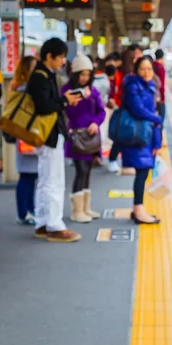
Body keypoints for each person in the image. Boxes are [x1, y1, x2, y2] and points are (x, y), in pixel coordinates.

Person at [27, 38, 82, 243]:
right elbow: (44, 106)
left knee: (45, 179)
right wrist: (65, 100)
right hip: (49, 135)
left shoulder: (42, 75)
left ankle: (42, 222)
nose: (63, 61)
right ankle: (54, 225)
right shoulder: (42, 77)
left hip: (47, 135)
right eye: (60, 57)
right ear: (49, 56)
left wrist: (63, 100)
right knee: (54, 181)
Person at [61, 55, 106, 223]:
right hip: (77, 137)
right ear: (74, 74)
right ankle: (76, 210)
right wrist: (82, 97)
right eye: (81, 74)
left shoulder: (93, 90)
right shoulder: (67, 91)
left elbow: (101, 111)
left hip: (91, 137)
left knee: (87, 170)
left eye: (87, 74)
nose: (85, 78)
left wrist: (96, 122)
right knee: (80, 170)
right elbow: (70, 113)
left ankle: (86, 207)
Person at [120, 56, 162, 225]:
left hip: (146, 135)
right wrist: (157, 119)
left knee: (143, 172)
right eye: (143, 69)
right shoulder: (133, 86)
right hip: (137, 135)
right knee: (142, 172)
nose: (147, 72)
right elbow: (138, 110)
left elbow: (153, 119)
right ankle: (138, 210)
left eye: (150, 69)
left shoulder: (150, 86)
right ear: (136, 70)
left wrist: (157, 142)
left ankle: (138, 208)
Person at [10, 56, 38, 225]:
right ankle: (24, 212)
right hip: (27, 135)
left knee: (30, 176)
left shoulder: (18, 88)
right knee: (27, 176)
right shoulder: (24, 90)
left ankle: (28, 210)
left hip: (26, 135)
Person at [107, 45, 144, 173]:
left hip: (125, 107)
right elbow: (117, 91)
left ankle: (120, 160)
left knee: (125, 135)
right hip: (125, 108)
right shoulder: (126, 75)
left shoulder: (126, 74)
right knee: (122, 136)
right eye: (135, 57)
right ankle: (113, 159)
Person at [153, 49, 167, 122]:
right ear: (162, 57)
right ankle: (159, 131)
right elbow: (162, 85)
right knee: (161, 116)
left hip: (151, 94)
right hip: (158, 96)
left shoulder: (152, 65)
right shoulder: (161, 68)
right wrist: (163, 98)